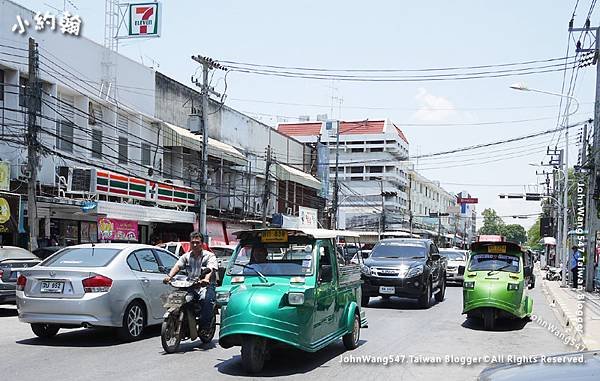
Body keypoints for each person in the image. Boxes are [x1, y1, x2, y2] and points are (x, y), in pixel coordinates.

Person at [163, 231, 218, 330]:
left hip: (205, 286)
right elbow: (177, 266)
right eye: (193, 242)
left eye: (198, 242)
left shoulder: (209, 256)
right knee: (175, 297)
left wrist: (206, 279)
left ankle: (204, 326)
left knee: (205, 300)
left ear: (202, 243)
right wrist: (169, 277)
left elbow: (210, 268)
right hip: (190, 285)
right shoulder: (186, 256)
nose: (195, 244)